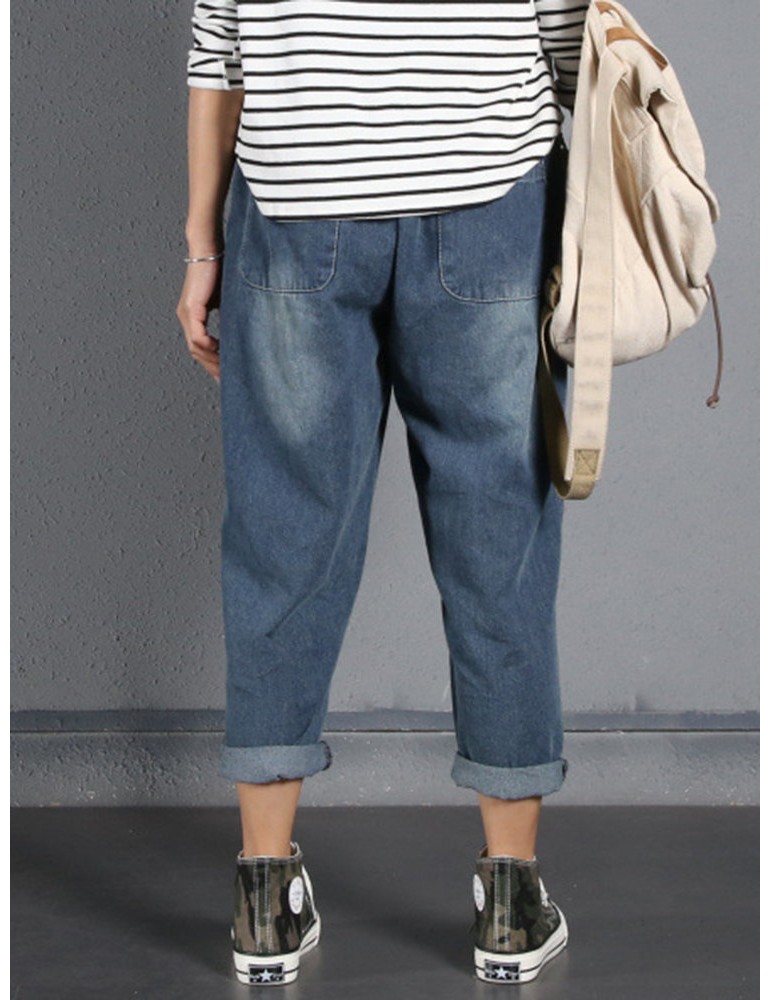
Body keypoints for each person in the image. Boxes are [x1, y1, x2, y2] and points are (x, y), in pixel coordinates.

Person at [176, 0, 588, 987]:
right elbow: (573, 50)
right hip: (490, 200)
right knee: (498, 543)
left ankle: (265, 898)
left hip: (297, 202)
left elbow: (220, 51)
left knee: (282, 538)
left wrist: (201, 246)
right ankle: (510, 898)